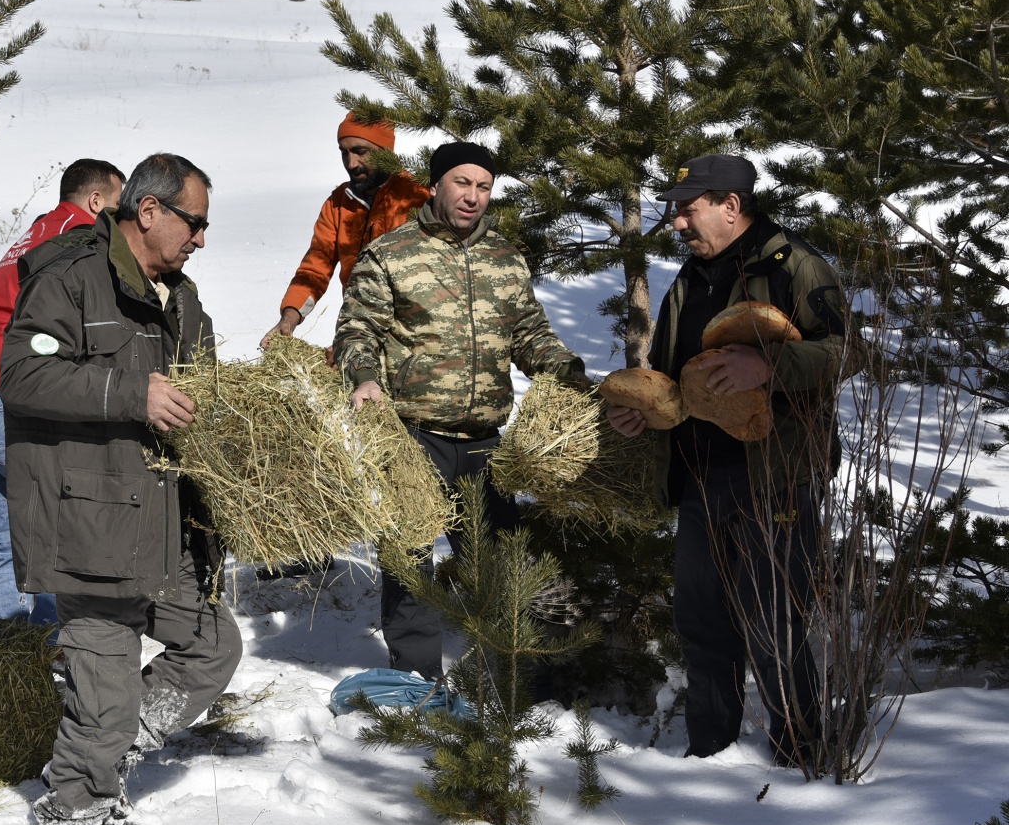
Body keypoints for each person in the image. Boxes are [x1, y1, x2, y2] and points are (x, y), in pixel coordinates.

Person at [0, 152, 242, 825]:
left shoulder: (183, 299)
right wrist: (130, 394)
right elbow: (22, 372)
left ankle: (106, 761)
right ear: (149, 211)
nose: (201, 239)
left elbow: (202, 400)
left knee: (212, 646)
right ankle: (71, 821)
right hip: (92, 526)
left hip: (162, 527)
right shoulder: (70, 277)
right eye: (194, 223)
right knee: (102, 699)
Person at [606, 154, 847, 768]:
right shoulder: (689, 278)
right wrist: (642, 411)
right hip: (698, 475)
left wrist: (770, 366)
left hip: (775, 477)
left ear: (731, 206)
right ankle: (710, 754)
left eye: (690, 210)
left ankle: (801, 757)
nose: (679, 223)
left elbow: (845, 351)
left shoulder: (794, 264)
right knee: (703, 621)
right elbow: (670, 377)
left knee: (774, 623)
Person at [334, 141, 588, 681]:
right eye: (462, 183)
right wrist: (364, 378)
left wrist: (566, 371)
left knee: (498, 554)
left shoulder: (505, 258)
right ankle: (418, 677)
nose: (473, 196)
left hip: (485, 439)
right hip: (412, 436)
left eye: (484, 186)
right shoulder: (390, 253)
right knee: (410, 559)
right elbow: (357, 329)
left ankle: (510, 672)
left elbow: (528, 334)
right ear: (435, 185)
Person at [0, 159, 125, 623]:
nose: (120, 223)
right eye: (118, 208)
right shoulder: (77, 237)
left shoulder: (34, 234)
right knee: (72, 513)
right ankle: (79, 643)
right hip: (4, 396)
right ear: (96, 201)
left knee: (9, 543)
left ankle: (16, 663)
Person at [261, 111, 429, 348]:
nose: (351, 164)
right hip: (358, 331)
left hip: (412, 337)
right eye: (344, 152)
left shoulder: (418, 198)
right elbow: (316, 267)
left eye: (361, 152)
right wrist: (289, 318)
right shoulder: (339, 203)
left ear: (386, 150)